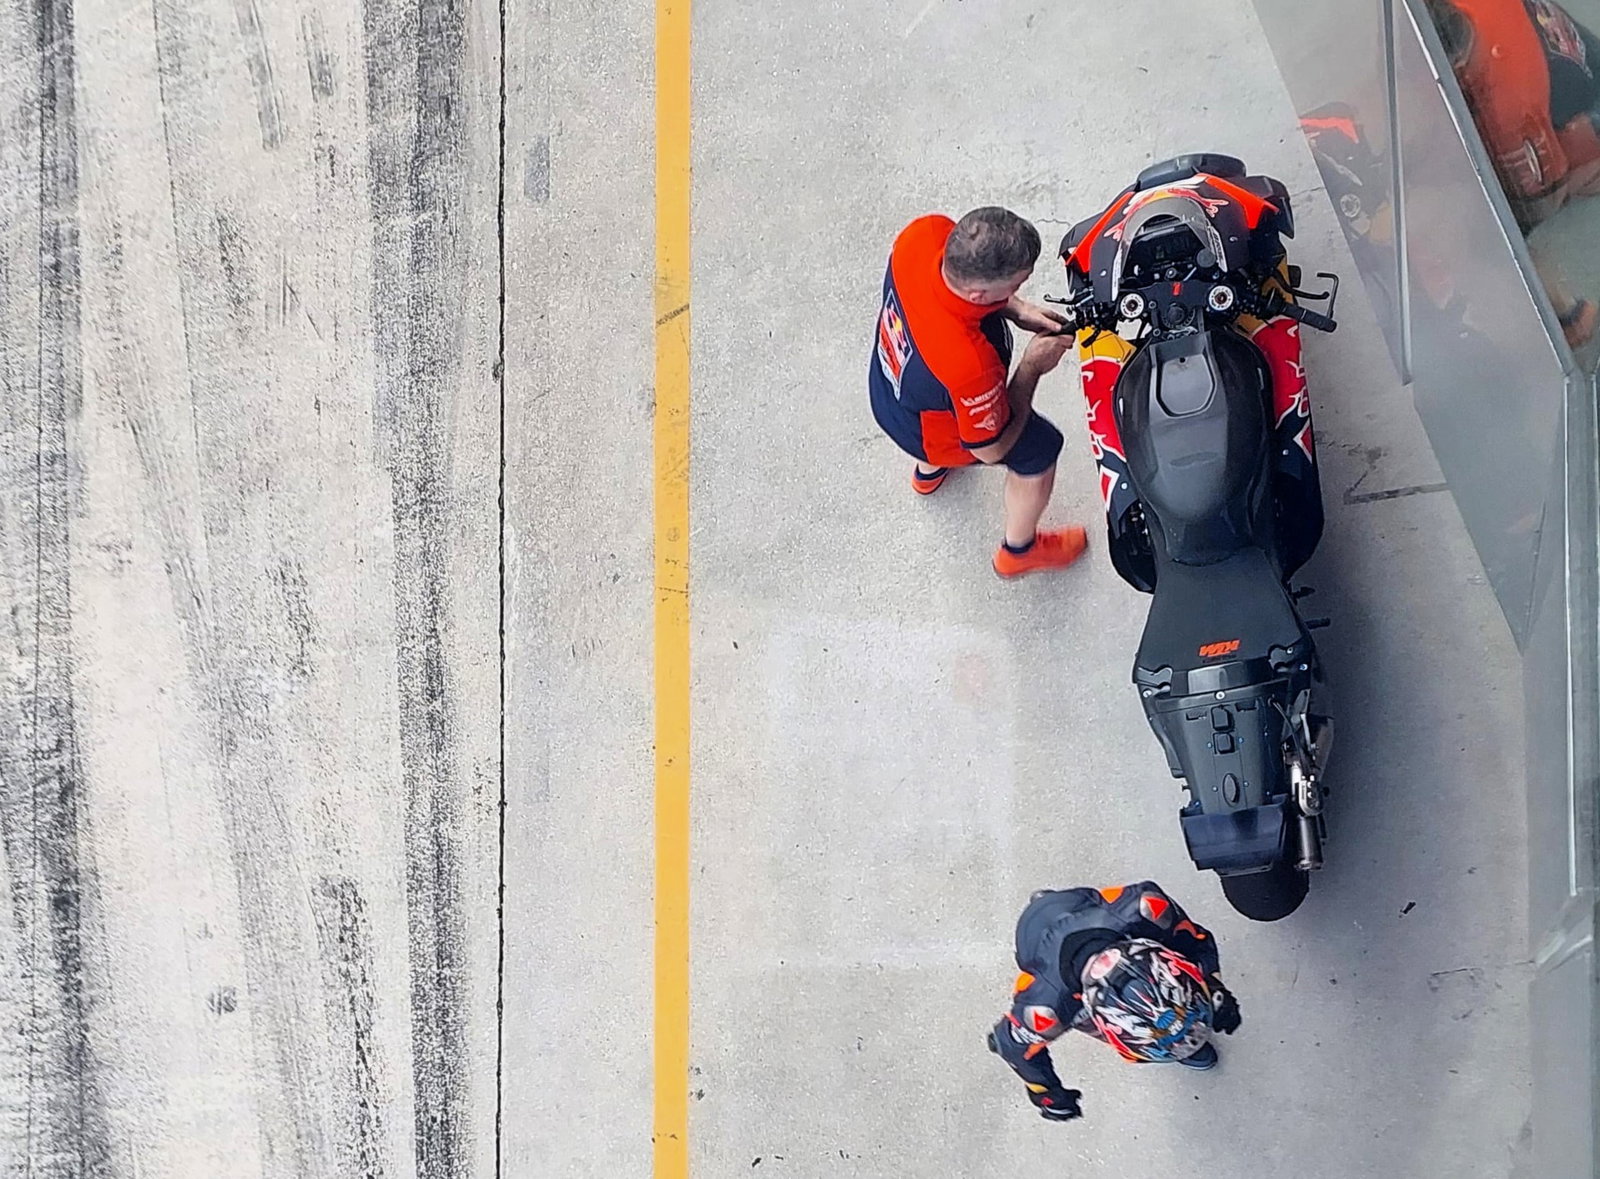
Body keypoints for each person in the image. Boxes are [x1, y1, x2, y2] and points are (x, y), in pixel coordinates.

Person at [868, 207, 1089, 578]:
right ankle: (1019, 551)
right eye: (1015, 286)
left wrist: (1015, 309)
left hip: (889, 389)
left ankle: (928, 475)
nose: (1017, 292)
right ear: (977, 292)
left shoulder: (922, 235)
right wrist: (1032, 367)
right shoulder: (970, 367)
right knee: (1039, 449)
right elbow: (991, 448)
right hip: (935, 431)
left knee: (930, 405)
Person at [986, 881, 1242, 1122]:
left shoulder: (1148, 911)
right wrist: (1211, 984)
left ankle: (1157, 1039)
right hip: (1035, 941)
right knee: (1083, 1018)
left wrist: (1048, 1094)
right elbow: (1007, 1043)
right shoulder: (1047, 1006)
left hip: (1083, 908)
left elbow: (1195, 940)